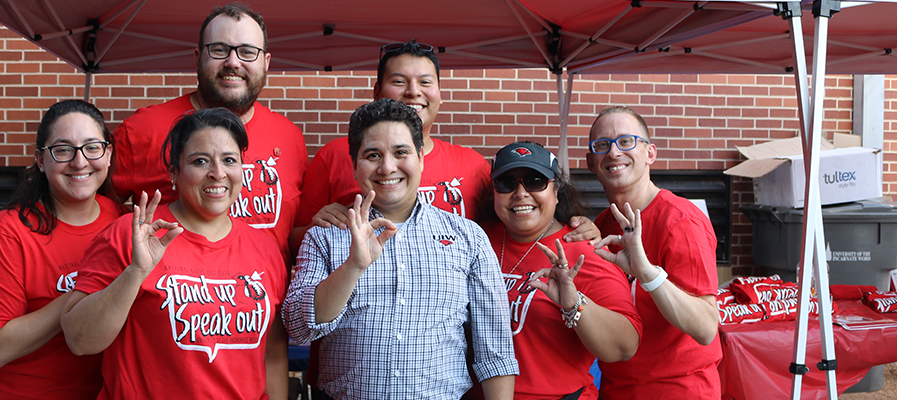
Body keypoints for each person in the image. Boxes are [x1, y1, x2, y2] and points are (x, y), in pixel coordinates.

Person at [0, 2, 307, 267]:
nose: (233, 62)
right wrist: (3, 230)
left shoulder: (289, 138)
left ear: (266, 62)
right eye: (219, 50)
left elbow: (293, 230)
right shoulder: (145, 130)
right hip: (163, 312)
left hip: (260, 310)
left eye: (247, 52)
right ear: (198, 56)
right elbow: (72, 192)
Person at [283, 98, 518, 399]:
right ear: (355, 164)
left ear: (420, 157)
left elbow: (495, 352)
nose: (387, 167)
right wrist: (352, 267)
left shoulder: (468, 237)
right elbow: (298, 327)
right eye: (372, 155)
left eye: (400, 152)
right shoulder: (325, 236)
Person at [60, 108, 288, 399]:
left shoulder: (265, 248)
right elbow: (79, 340)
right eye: (200, 161)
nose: (217, 173)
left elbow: (273, 351)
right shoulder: (129, 235)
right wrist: (135, 273)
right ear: (173, 173)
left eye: (229, 160)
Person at [0, 100, 122, 399]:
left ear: (108, 154)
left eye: (92, 147)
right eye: (62, 150)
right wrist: (87, 293)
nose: (80, 161)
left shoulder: (123, 221)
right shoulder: (7, 233)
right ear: (40, 160)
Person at [288, 40, 492, 254]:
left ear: (440, 93)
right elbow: (293, 244)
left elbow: (499, 241)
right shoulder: (335, 155)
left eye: (425, 82)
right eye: (399, 81)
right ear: (377, 91)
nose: (413, 92)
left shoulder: (473, 166)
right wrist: (319, 227)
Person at [473, 141, 642, 400]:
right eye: (506, 183)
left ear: (556, 190)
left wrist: (573, 302)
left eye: (534, 181)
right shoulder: (474, 240)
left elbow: (624, 347)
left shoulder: (581, 252)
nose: (520, 193)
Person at [586, 106, 721, 399]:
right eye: (602, 145)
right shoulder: (601, 225)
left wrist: (646, 272)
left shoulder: (681, 221)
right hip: (615, 389)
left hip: (677, 390)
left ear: (650, 153)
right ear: (589, 161)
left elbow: (707, 328)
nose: (613, 153)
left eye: (626, 141)